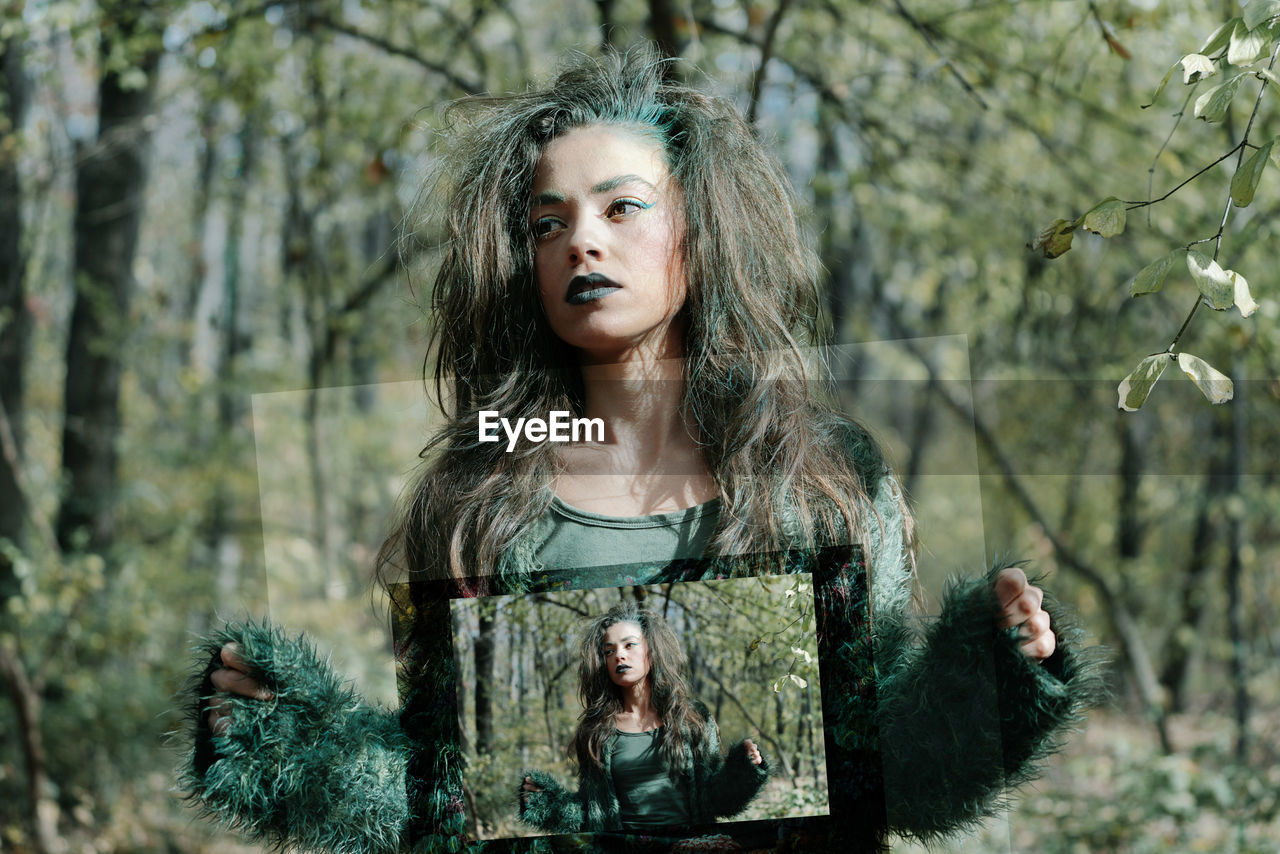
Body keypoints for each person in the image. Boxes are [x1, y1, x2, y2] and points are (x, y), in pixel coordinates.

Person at [184, 46, 1103, 854]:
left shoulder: (823, 476)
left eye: (622, 208)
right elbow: (445, 796)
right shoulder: (478, 498)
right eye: (548, 224)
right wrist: (293, 742)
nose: (581, 238)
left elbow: (894, 760)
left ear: (697, 240)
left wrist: (994, 670)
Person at [516, 604, 768, 838]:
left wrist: (744, 770)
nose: (619, 656)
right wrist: (548, 803)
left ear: (651, 650)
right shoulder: (595, 731)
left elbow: (716, 798)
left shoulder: (693, 718)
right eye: (609, 651)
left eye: (629, 645)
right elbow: (594, 812)